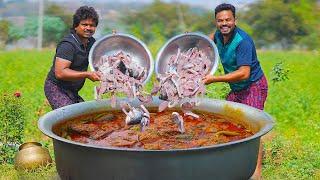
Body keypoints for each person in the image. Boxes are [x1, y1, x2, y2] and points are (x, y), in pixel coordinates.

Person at [202, 3, 268, 180]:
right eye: (220, 20)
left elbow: (244, 73)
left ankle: (256, 172)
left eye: (228, 20)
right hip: (237, 88)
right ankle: (233, 162)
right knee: (229, 120)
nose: (224, 24)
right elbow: (205, 43)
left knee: (253, 129)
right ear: (216, 22)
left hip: (253, 85)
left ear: (235, 20)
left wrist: (213, 79)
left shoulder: (242, 41)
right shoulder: (217, 35)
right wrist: (193, 41)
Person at [44, 6, 101, 110]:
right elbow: (60, 73)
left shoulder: (92, 43)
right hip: (56, 88)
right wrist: (87, 74)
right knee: (71, 118)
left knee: (86, 116)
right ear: (76, 26)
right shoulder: (68, 45)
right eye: (84, 24)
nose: (88, 28)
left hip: (72, 90)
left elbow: (102, 59)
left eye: (92, 25)